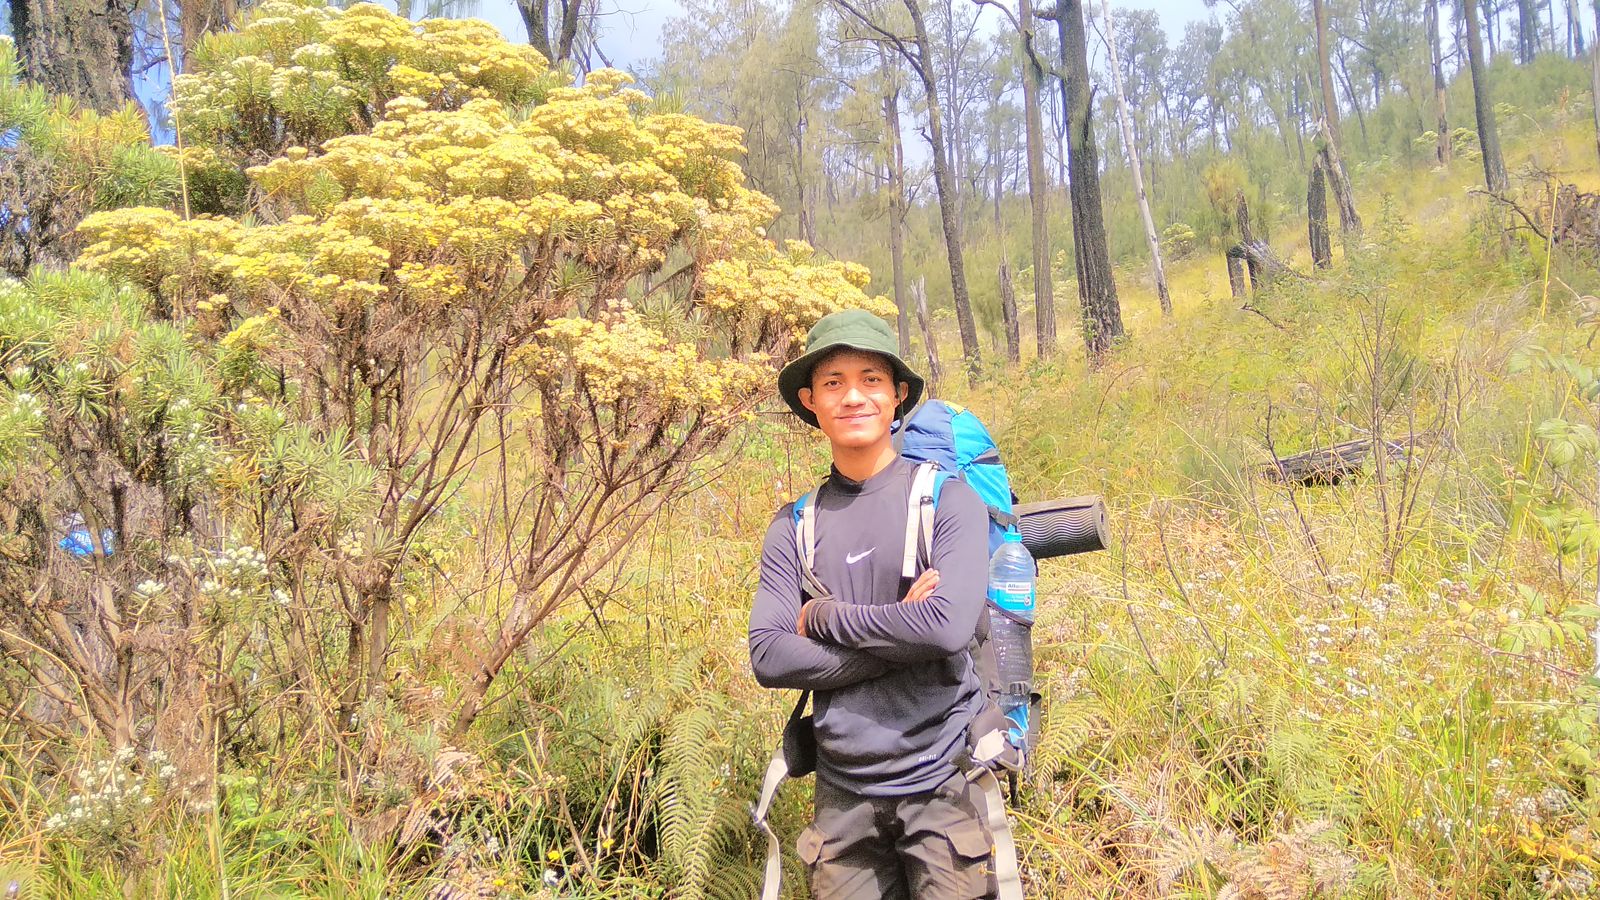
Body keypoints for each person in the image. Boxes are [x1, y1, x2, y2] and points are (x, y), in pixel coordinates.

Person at [748, 309, 1000, 899]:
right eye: (833, 383)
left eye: (871, 379)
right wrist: (898, 638)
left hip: (943, 784)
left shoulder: (947, 500)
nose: (853, 396)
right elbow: (769, 656)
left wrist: (823, 618)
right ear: (810, 400)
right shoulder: (794, 526)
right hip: (842, 798)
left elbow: (945, 630)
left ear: (898, 396)